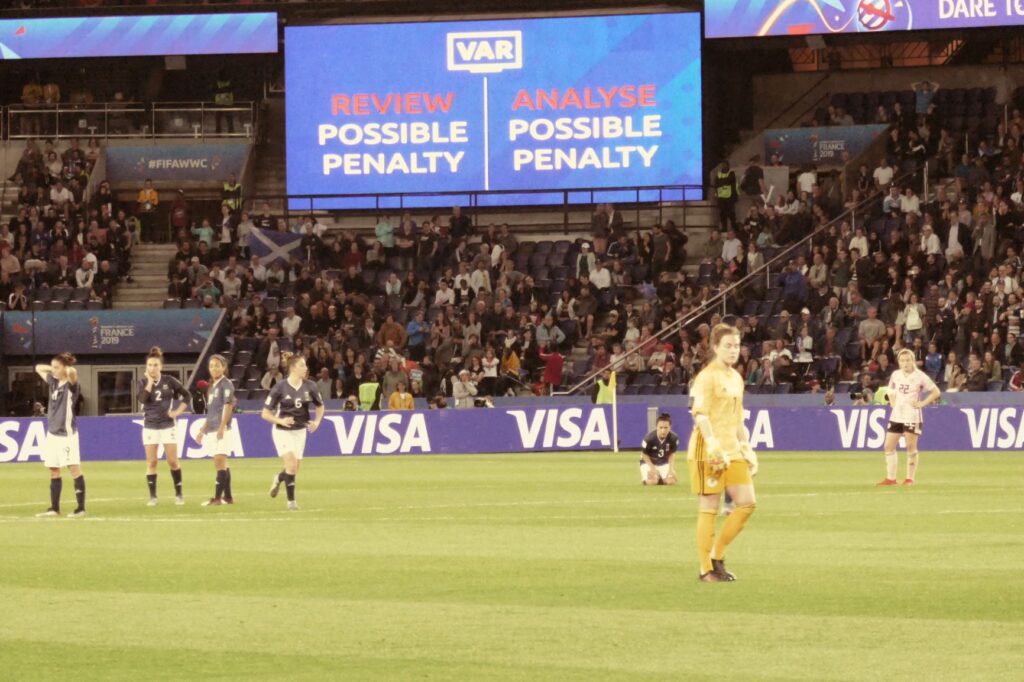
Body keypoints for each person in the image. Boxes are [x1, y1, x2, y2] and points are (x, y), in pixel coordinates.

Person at [688, 324, 758, 582]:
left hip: (732, 449)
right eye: (727, 345)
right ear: (715, 347)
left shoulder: (736, 378)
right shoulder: (707, 376)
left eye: (736, 346)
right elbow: (700, 414)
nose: (733, 350)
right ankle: (706, 568)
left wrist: (746, 446)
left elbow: (738, 417)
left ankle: (717, 555)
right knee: (710, 505)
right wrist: (713, 444)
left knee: (747, 502)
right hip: (708, 450)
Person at [262, 353, 324, 511]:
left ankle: (278, 478)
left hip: (300, 430)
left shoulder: (310, 386)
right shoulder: (280, 387)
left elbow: (320, 406)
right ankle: (291, 502)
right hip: (283, 430)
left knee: (294, 468)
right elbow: (265, 413)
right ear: (293, 368)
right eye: (302, 365)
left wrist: (317, 421)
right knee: (290, 463)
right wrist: (281, 421)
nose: (306, 368)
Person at [879, 349, 941, 486]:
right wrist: (892, 401)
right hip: (896, 415)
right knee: (888, 446)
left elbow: (936, 391)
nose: (905, 363)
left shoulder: (920, 376)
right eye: (902, 361)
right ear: (899, 363)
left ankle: (909, 478)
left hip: (912, 415)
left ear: (912, 361)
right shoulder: (895, 375)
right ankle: (891, 478)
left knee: (910, 446)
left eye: (908, 360)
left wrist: (922, 403)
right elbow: (890, 390)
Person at [34, 353, 86, 518]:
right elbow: (38, 368)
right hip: (53, 433)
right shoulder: (53, 382)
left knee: (74, 468)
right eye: (53, 367)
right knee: (54, 470)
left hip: (67, 434)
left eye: (57, 367)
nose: (54, 370)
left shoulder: (71, 385)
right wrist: (54, 368)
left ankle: (80, 508)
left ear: (64, 368)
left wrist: (64, 367)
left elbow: (73, 372)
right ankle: (54, 508)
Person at [137, 346, 190, 506]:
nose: (152, 368)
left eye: (155, 365)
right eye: (149, 365)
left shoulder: (169, 381)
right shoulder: (142, 382)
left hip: (168, 425)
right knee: (152, 462)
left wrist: (177, 411)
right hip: (150, 426)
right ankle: (153, 497)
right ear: (146, 367)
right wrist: (149, 383)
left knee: (172, 461)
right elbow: (142, 399)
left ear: (161, 366)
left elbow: (187, 395)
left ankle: (179, 494)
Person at [197, 355, 237, 506]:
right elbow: (212, 411)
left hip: (222, 429)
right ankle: (228, 497)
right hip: (213, 428)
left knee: (219, 461)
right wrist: (202, 429)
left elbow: (228, 406)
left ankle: (217, 498)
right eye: (211, 365)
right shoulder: (212, 386)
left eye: (217, 365)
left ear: (224, 367)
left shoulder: (226, 384)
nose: (214, 368)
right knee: (223, 463)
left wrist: (222, 427)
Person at [640, 413, 679, 486]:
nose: (663, 431)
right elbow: (644, 454)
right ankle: (653, 479)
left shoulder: (674, 438)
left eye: (665, 428)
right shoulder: (649, 438)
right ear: (656, 427)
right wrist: (652, 468)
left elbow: (672, 454)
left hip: (663, 463)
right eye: (660, 427)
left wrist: (671, 469)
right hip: (648, 463)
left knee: (671, 481)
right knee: (653, 482)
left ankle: (660, 478)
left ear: (670, 427)